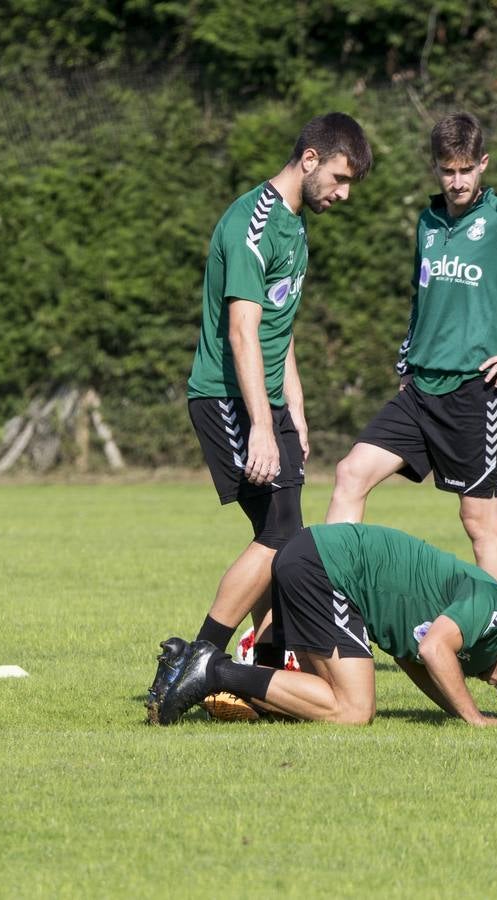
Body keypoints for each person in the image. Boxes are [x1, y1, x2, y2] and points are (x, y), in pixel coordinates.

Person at [147, 114, 373, 707]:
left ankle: (260, 676)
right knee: (279, 537)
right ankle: (195, 663)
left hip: (266, 402)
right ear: (309, 159)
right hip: (228, 399)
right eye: (341, 178)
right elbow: (243, 333)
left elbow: (280, 326)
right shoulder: (253, 223)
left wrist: (294, 406)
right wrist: (263, 427)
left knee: (289, 541)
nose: (344, 194)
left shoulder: (295, 226)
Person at [326, 112, 497, 589]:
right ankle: (328, 612)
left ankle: (495, 640)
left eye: (465, 169)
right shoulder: (428, 221)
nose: (456, 181)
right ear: (435, 168)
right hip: (420, 390)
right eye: (447, 170)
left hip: (477, 393)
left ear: (483, 164)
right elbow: (420, 294)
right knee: (350, 473)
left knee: (478, 521)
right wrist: (407, 357)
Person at [149, 523, 497, 726]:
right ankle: (209, 669)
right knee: (354, 711)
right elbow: (433, 649)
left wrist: (458, 708)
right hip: (329, 569)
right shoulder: (494, 609)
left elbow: (416, 658)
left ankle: (219, 677)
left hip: (324, 564)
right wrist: (476, 718)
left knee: (318, 704)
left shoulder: (485, 646)